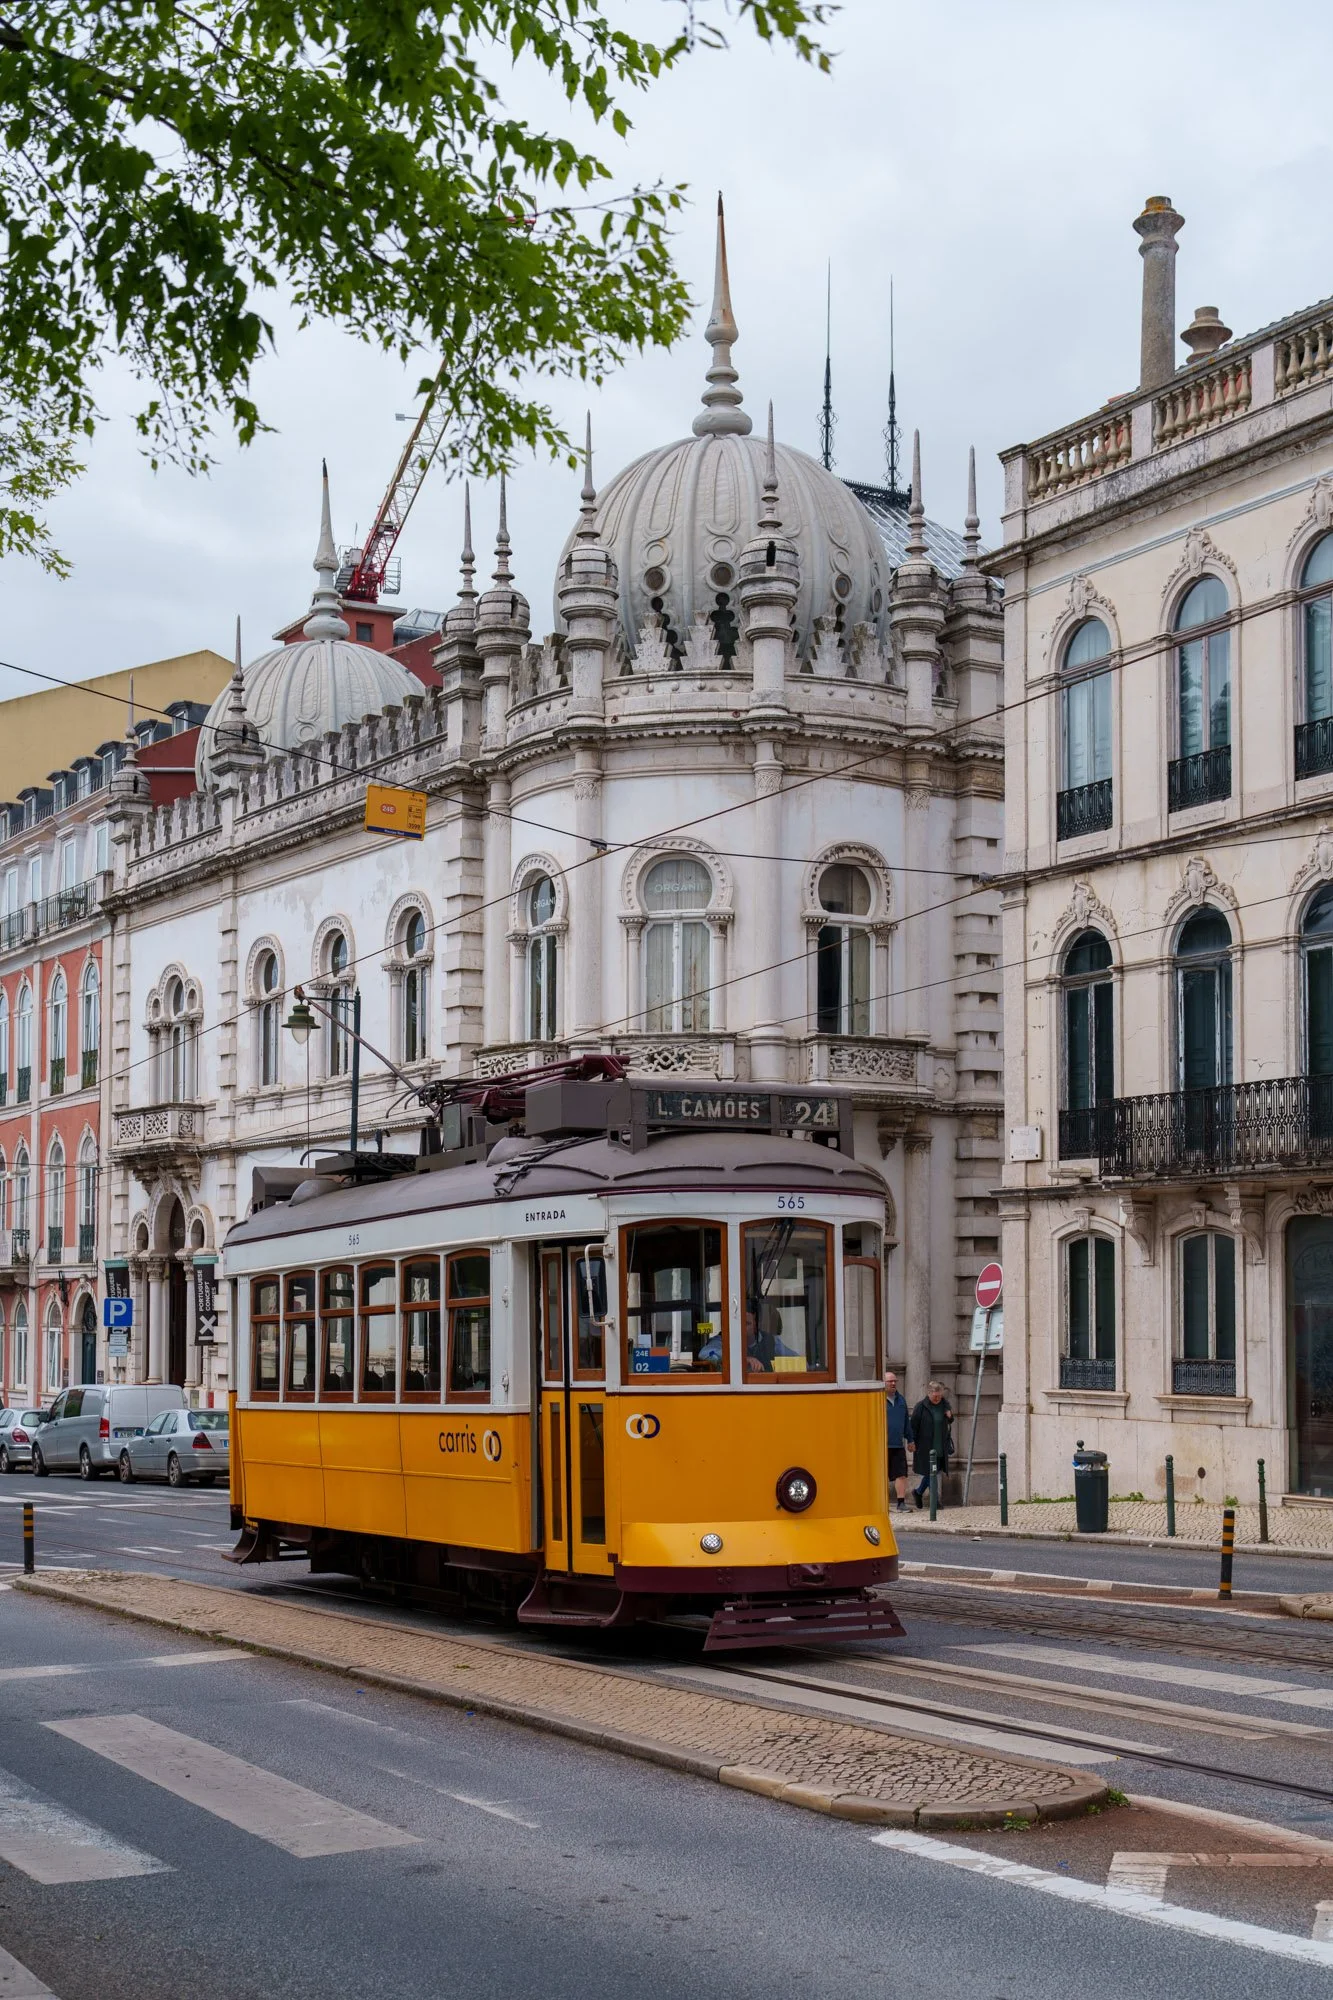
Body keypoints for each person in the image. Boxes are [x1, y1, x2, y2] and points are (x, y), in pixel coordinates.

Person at [910, 1380, 954, 1509]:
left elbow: (950, 1420)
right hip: (925, 1446)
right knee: (931, 1472)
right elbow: (913, 1426)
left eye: (940, 1396)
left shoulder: (945, 1405)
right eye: (935, 1396)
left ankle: (918, 1492)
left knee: (934, 1472)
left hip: (940, 1445)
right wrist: (912, 1441)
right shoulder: (920, 1407)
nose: (937, 1398)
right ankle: (935, 1501)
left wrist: (950, 1416)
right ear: (929, 1393)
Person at [884, 1369, 911, 1511]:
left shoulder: (901, 1400)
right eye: (890, 1381)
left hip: (898, 1444)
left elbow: (906, 1421)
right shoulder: (878, 1399)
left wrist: (910, 1439)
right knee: (881, 1476)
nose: (893, 1383)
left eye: (895, 1381)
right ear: (883, 1383)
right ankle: (883, 1504)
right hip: (882, 1445)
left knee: (901, 1474)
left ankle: (901, 1503)